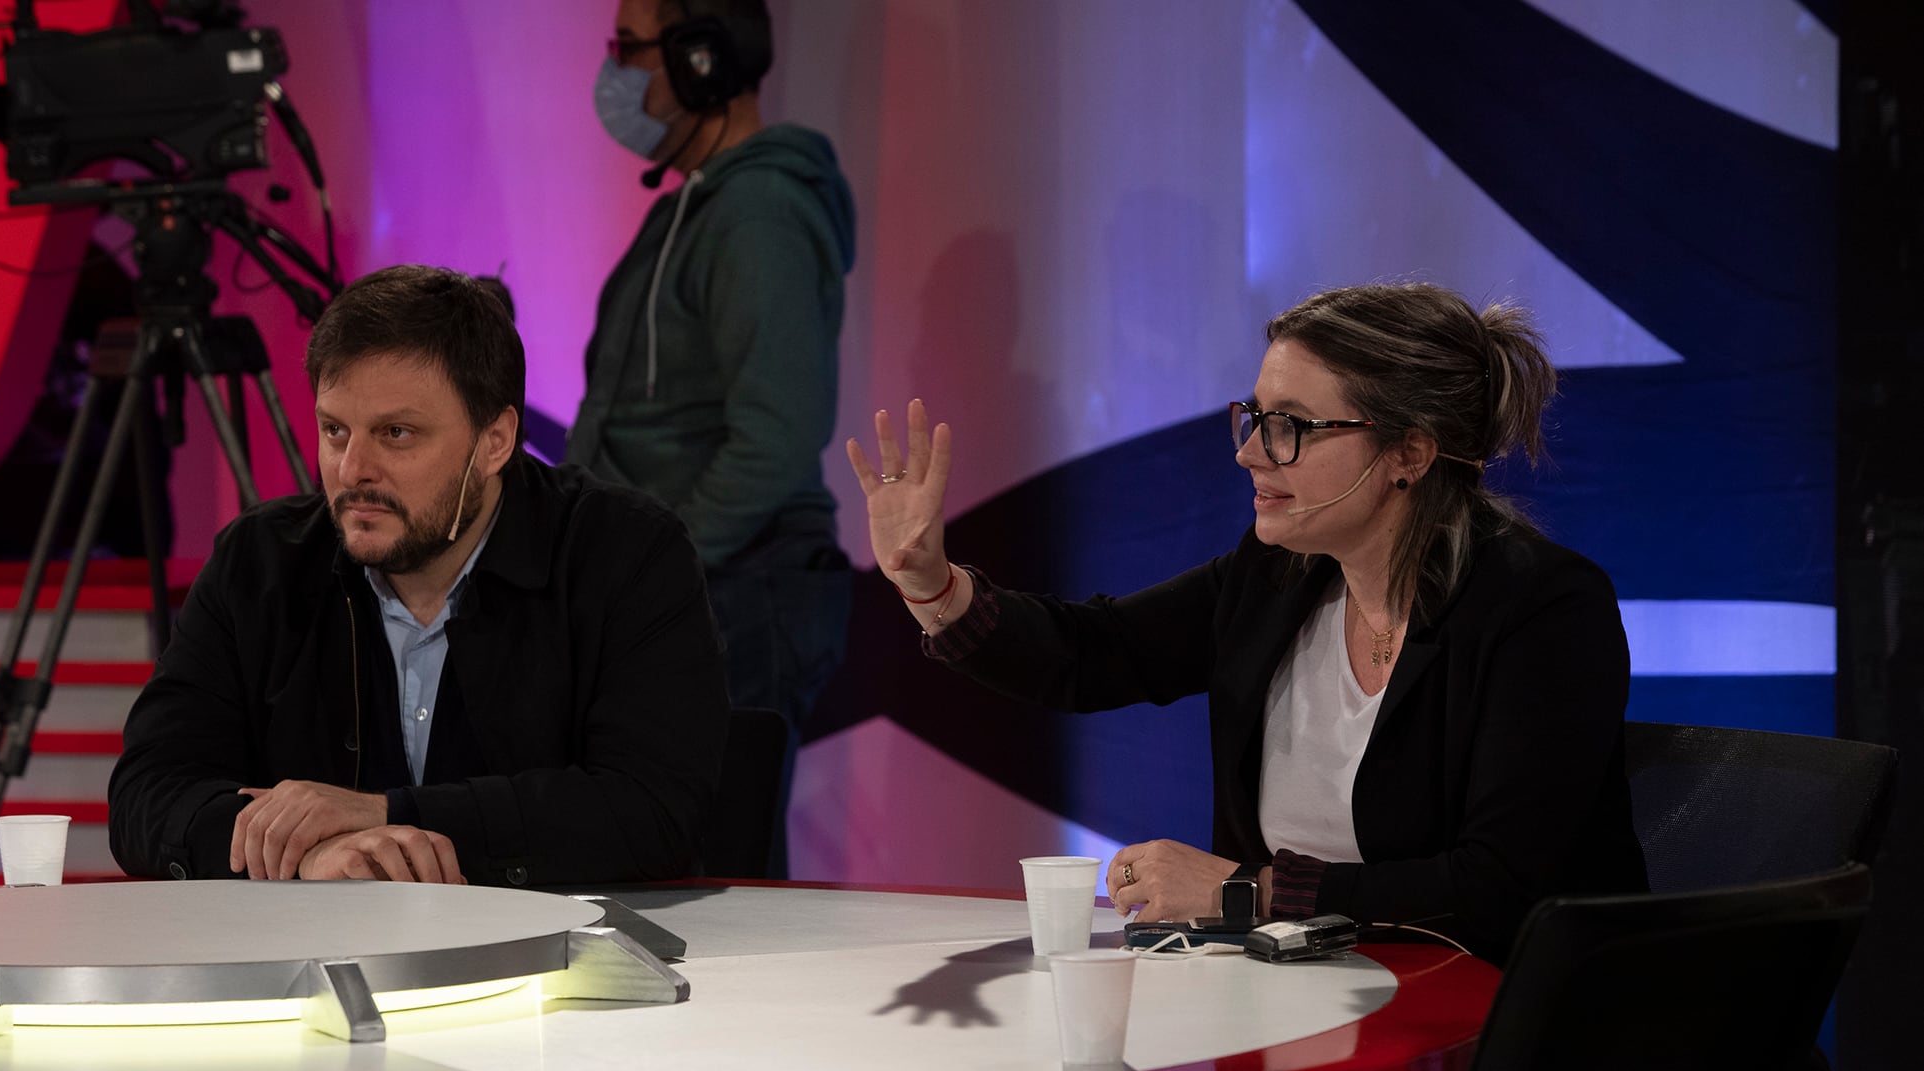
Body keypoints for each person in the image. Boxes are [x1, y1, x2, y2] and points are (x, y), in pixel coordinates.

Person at [849, 282, 1646, 965]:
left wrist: (1243, 891)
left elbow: (1498, 890)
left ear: (1407, 453)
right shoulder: (1277, 574)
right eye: (1254, 417)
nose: (1251, 454)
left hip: (1486, 1026)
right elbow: (1092, 656)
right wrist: (933, 585)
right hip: (1287, 999)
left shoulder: (1540, 607)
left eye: (1292, 426)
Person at [108, 264, 729, 887]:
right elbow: (146, 794)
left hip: (570, 965)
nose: (353, 471)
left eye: (396, 433)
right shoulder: (259, 562)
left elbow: (653, 811)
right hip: (315, 966)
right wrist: (311, 854)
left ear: (495, 441)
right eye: (335, 431)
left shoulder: (626, 552)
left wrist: (385, 816)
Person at [568, 0, 856, 799]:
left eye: (629, 48)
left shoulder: (758, 212)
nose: (615, 71)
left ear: (702, 60)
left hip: (735, 594)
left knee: (726, 876)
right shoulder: (696, 205)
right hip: (701, 591)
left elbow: (778, 431)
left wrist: (662, 565)